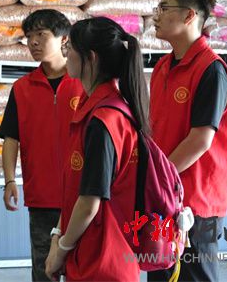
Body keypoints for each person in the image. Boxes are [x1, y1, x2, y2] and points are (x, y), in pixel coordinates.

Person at [45, 17, 146, 282]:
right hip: (100, 253)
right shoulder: (100, 109)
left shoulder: (104, 120)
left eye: (70, 48)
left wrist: (61, 250)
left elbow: (89, 202)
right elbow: (77, 190)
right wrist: (57, 235)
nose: (65, 55)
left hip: (101, 261)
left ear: (90, 58)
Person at [148, 0, 227, 282]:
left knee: (194, 273)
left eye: (164, 8)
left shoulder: (211, 69)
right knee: (159, 269)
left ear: (189, 16)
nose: (156, 15)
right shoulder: (162, 67)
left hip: (197, 197)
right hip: (166, 192)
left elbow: (200, 140)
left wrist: (160, 178)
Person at [0, 9, 83, 282]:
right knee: (45, 270)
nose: (33, 42)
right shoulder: (22, 88)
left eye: (41, 34)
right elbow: (11, 138)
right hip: (42, 198)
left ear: (64, 39)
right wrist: (9, 180)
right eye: (29, 36)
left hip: (83, 196)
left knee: (83, 269)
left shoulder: (84, 83)